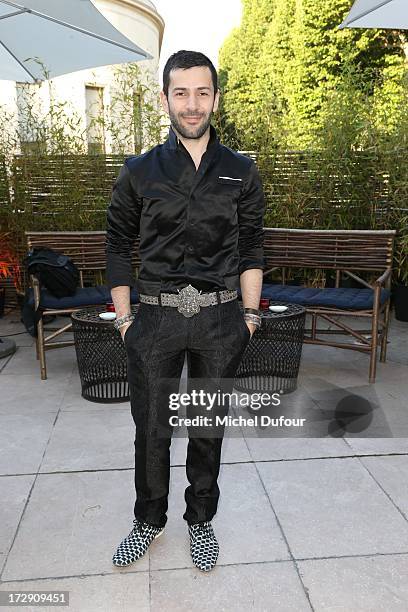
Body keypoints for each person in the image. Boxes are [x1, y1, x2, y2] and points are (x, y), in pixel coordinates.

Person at [105, 50, 265, 572]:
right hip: (153, 321)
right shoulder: (140, 171)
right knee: (150, 428)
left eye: (202, 92)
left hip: (221, 321)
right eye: (181, 92)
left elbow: (253, 247)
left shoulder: (241, 171)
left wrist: (249, 317)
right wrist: (126, 321)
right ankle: (149, 520)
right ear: (165, 98)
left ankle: (201, 521)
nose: (192, 104)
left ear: (215, 98)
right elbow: (116, 245)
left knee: (207, 426)